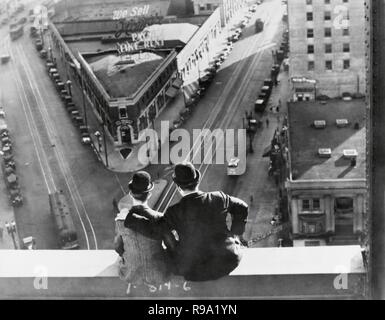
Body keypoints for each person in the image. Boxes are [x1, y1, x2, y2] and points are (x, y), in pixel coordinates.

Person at [135, 162, 249, 282]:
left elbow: (156, 231)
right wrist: (236, 233)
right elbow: (242, 207)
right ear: (198, 181)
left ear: (178, 187)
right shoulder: (218, 197)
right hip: (228, 261)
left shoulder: (174, 211)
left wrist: (133, 219)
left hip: (195, 271)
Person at [114, 171, 172, 285]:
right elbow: (171, 246)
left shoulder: (121, 220)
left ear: (130, 193)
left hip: (130, 275)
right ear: (149, 194)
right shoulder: (160, 218)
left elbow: (117, 247)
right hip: (159, 274)